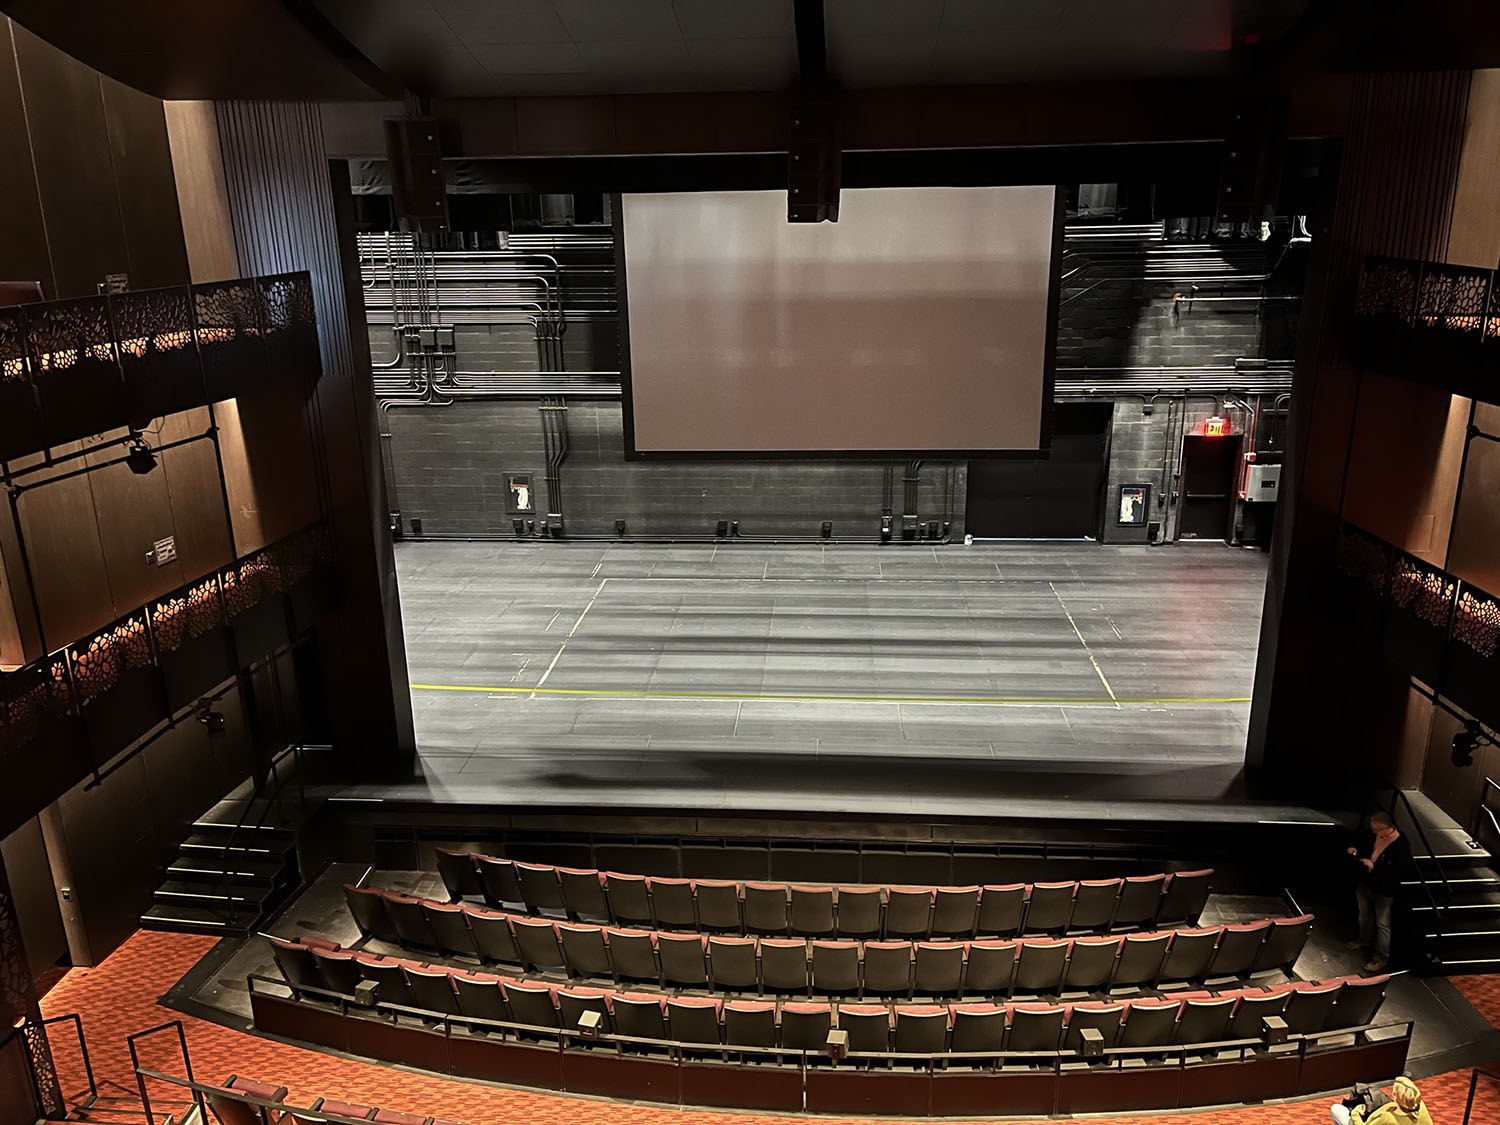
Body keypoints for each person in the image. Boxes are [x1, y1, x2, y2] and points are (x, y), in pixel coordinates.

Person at [1346, 811, 1410, 972]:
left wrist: (1374, 867)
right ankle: (1363, 939)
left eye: (1378, 830)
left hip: (1384, 889)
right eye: (1373, 829)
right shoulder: (1373, 834)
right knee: (1364, 913)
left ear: (1389, 827)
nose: (1375, 832)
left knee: (1382, 923)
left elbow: (1398, 870)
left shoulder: (1400, 844)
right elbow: (1360, 840)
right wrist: (1354, 848)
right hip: (1367, 883)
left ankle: (1381, 957)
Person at [1331, 1076, 1431, 1125]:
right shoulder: (1420, 1106)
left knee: (1336, 1110)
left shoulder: (1387, 1118)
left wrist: (1355, 1113)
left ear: (1395, 1097)